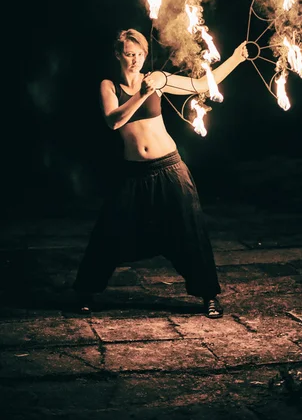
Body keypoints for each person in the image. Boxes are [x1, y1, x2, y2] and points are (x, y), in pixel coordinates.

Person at [72, 28, 248, 318]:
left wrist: (236, 58)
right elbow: (113, 121)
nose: (135, 60)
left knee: (191, 231)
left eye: (140, 54)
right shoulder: (109, 86)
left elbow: (202, 85)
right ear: (118, 54)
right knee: (108, 231)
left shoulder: (157, 79)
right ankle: (85, 292)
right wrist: (142, 94)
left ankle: (208, 295)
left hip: (170, 168)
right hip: (133, 174)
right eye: (129, 54)